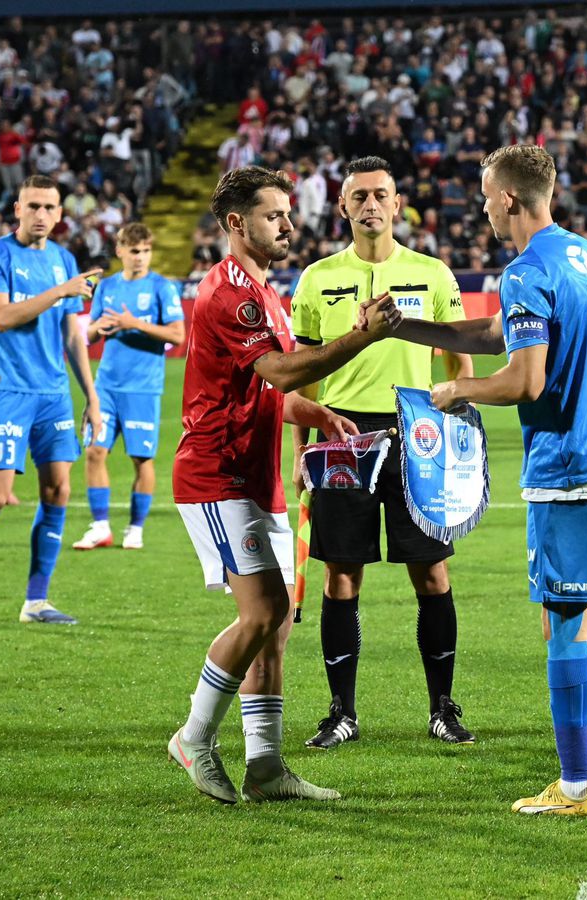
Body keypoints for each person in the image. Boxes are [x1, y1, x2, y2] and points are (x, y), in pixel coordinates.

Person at [358, 144, 587, 816]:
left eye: (487, 195)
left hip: (575, 467)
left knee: (565, 622)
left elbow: (525, 379)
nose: (483, 207)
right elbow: (500, 333)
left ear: (509, 198)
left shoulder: (524, 271)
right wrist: (410, 328)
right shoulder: (578, 251)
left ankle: (575, 788)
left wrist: (458, 391)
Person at [167, 166, 398, 805]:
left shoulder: (265, 291)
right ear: (236, 223)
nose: (289, 225)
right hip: (217, 474)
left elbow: (272, 387)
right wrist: (361, 336)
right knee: (264, 609)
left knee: (278, 625)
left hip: (255, 475)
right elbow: (282, 369)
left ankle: (265, 767)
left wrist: (317, 413)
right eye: (274, 215)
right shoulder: (231, 295)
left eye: (288, 213)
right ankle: (193, 737)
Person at [290, 155, 476, 750]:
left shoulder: (433, 274)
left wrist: (460, 439)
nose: (370, 204)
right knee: (341, 575)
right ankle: (341, 712)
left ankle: (442, 707)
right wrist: (302, 451)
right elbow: (302, 374)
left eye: (380, 194)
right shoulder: (317, 278)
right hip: (342, 435)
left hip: (417, 434)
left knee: (432, 571)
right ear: (342, 206)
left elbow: (460, 365)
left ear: (397, 204)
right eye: (359, 196)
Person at [0, 175, 103, 625]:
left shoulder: (64, 260)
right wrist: (61, 291)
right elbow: (1, 316)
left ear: (60, 213)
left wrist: (91, 398)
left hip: (53, 394)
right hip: (7, 389)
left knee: (58, 490)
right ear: (17, 209)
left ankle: (36, 602)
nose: (41, 215)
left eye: (49, 207)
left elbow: (72, 337)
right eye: (33, 206)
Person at [74, 223, 185, 551]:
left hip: (143, 389)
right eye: (134, 251)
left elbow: (178, 335)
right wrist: (101, 326)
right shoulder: (107, 287)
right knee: (94, 451)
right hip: (106, 387)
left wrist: (133, 323)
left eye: (146, 251)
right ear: (120, 251)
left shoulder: (162, 287)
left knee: (141, 459)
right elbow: (88, 333)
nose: (140, 257)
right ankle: (100, 527)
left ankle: (135, 528)